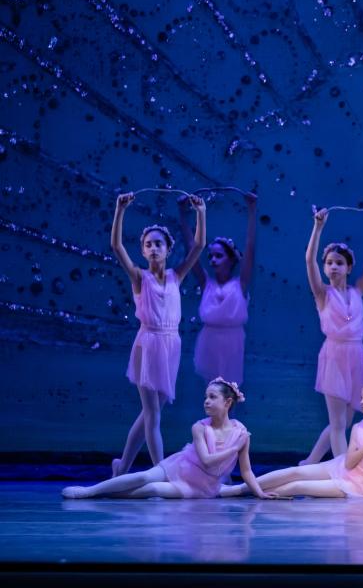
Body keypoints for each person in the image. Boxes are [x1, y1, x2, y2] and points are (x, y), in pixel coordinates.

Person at [110, 192, 206, 476]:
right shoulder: (140, 278)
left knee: (150, 413)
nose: (153, 248)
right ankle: (160, 472)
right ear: (143, 250)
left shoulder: (177, 275)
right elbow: (116, 246)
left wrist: (200, 212)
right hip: (149, 344)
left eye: (158, 244)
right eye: (148, 244)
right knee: (153, 414)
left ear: (167, 249)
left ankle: (123, 465)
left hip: (171, 345)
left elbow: (199, 245)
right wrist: (120, 209)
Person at [221, 378, 363, 499]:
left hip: (356, 485)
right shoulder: (360, 426)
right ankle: (237, 490)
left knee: (297, 486)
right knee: (294, 472)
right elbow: (349, 461)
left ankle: (259, 494)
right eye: (361, 396)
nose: (361, 401)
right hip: (341, 466)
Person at [63, 379, 274, 499]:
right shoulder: (199, 428)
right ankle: (90, 491)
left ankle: (108, 493)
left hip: (201, 486)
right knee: (143, 477)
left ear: (228, 403)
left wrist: (260, 494)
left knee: (153, 491)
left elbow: (246, 471)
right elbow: (208, 460)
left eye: (212, 397)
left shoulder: (240, 432)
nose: (206, 402)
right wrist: (233, 449)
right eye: (205, 397)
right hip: (180, 467)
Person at [301, 207, 363, 464]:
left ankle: (310, 462)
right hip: (335, 355)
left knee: (345, 421)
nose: (334, 267)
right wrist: (318, 227)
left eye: (339, 263)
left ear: (348, 267)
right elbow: (308, 260)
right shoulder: (322, 294)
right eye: (329, 263)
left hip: (355, 354)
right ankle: (344, 472)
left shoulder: (357, 291)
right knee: (337, 423)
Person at [179, 192, 257, 385]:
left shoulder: (240, 284)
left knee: (230, 390)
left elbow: (250, 247)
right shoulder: (207, 284)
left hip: (232, 342)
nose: (213, 260)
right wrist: (183, 213)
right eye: (211, 256)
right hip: (209, 340)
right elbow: (192, 248)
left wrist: (252, 209)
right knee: (211, 390)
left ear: (231, 259)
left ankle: (229, 416)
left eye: (219, 256)